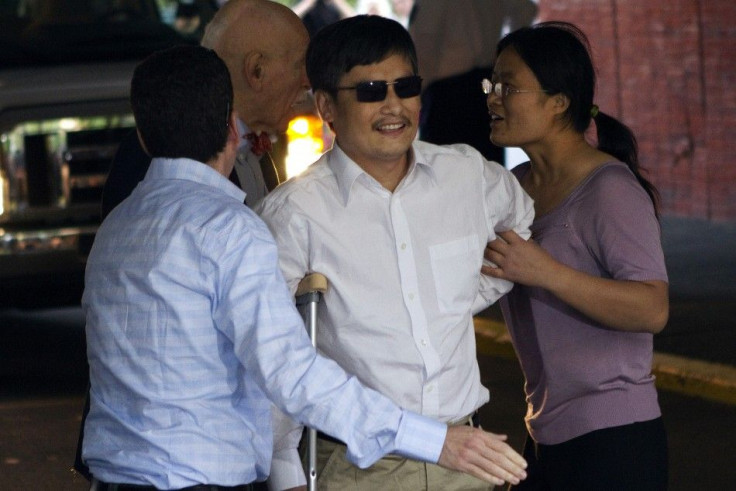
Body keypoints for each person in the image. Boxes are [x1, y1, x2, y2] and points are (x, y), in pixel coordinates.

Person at [81, 44, 528, 491]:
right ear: (230, 129)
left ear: (142, 136)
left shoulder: (116, 228)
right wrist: (435, 441)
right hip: (199, 480)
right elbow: (289, 371)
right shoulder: (231, 229)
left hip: (115, 478)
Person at [256, 15, 534, 490]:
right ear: (326, 105)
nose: (393, 106)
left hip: (465, 463)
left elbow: (521, 226)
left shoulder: (468, 176)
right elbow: (275, 362)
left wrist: (458, 295)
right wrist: (287, 478)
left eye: (405, 86)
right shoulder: (292, 215)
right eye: (369, 90)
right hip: (358, 467)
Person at [481, 22, 669, 490]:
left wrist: (547, 273)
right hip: (544, 432)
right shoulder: (515, 189)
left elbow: (652, 307)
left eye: (508, 86)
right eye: (491, 84)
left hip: (615, 440)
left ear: (559, 101)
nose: (493, 97)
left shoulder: (610, 191)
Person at [101, 0, 309, 216]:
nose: (308, 82)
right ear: (256, 71)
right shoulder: (159, 148)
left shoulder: (259, 147)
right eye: (299, 65)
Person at [408, 0, 537, 164]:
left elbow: (423, 43)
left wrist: (418, 93)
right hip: (481, 83)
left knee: (444, 168)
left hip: (447, 92)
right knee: (485, 167)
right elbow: (525, 11)